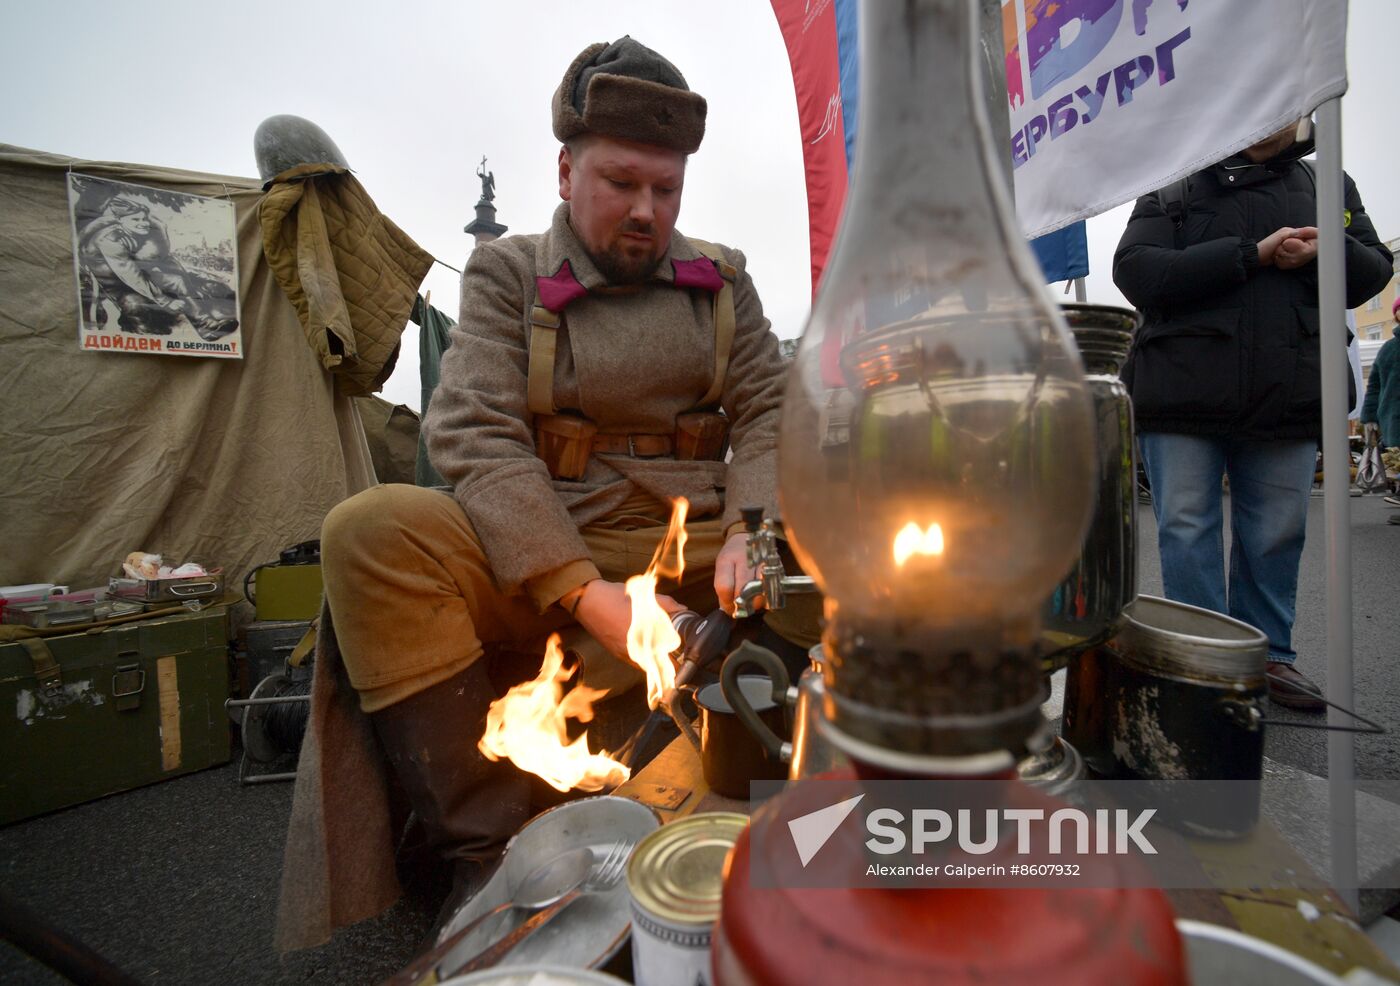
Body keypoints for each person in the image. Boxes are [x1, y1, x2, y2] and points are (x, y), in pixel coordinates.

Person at [277, 37, 815, 950]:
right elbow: (476, 434)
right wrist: (582, 592)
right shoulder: (510, 274)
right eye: (620, 183)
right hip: (549, 545)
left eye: (666, 188)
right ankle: (488, 851)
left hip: (703, 553)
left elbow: (771, 411)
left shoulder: (724, 281)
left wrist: (752, 535)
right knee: (372, 531)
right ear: (565, 169)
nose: (648, 212)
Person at [1114, 121, 1393, 713]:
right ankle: (1203, 658)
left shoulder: (1327, 183)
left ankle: (1270, 657)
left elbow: (1371, 273)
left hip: (1291, 385)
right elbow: (1136, 271)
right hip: (1182, 390)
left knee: (1276, 530)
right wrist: (1251, 254)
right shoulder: (1177, 183)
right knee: (1187, 527)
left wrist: (1328, 251)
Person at [77, 193, 239, 340]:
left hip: (138, 275)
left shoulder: (145, 232)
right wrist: (166, 301)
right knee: (135, 306)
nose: (143, 223)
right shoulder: (109, 240)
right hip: (114, 283)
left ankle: (206, 326)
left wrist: (185, 283)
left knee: (177, 281)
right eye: (136, 220)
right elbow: (130, 275)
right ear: (120, 221)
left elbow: (163, 260)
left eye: (144, 218)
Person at [1361, 297, 1400, 522]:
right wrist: (1369, 416)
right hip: (1392, 414)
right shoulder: (1388, 348)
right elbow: (1374, 383)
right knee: (1396, 456)